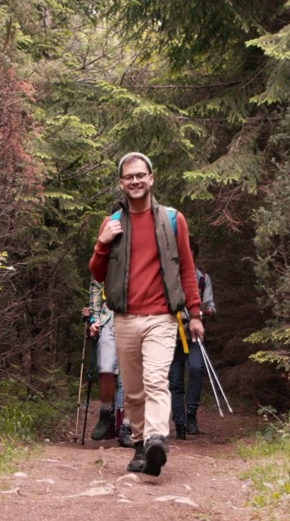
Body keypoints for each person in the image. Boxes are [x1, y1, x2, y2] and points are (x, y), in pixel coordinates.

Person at [89, 152, 203, 478]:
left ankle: (156, 439)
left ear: (151, 179)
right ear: (122, 183)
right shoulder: (112, 223)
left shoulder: (172, 219)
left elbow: (187, 268)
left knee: (156, 380)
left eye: (141, 175)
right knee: (135, 390)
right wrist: (102, 242)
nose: (136, 181)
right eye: (129, 177)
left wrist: (194, 313)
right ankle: (141, 444)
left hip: (162, 318)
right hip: (124, 319)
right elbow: (97, 274)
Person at [84, 280, 135, 447]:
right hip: (108, 320)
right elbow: (96, 287)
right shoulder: (107, 261)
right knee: (106, 367)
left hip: (134, 320)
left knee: (129, 374)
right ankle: (106, 412)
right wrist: (93, 319)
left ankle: (127, 426)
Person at [170, 268, 216, 438]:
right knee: (175, 379)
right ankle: (179, 423)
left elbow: (210, 306)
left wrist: (202, 312)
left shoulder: (202, 278)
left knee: (196, 369)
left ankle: (191, 414)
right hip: (172, 337)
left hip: (194, 336)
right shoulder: (168, 274)